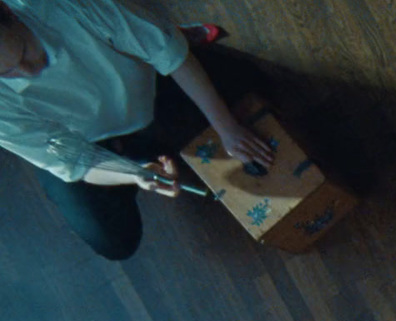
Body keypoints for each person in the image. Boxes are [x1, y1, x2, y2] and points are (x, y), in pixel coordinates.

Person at [0, 0, 274, 259]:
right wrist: (135, 174)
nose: (29, 71)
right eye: (7, 73)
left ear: (9, 11)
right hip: (79, 141)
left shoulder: (69, 6)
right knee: (114, 241)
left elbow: (167, 52)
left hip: (147, 92)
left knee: (253, 84)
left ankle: (149, 33)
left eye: (23, 52)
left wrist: (227, 128)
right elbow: (72, 159)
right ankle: (133, 151)